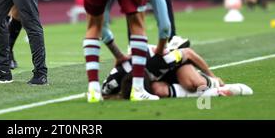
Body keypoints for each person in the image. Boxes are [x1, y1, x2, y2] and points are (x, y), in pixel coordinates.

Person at [82, 0, 169, 103]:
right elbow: (164, 25)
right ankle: (138, 90)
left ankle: (93, 90)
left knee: (93, 25)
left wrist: (119, 55)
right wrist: (160, 50)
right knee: (137, 23)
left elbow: (103, 27)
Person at [102, 44, 253, 100]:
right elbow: (105, 95)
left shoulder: (158, 60)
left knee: (196, 84)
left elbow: (189, 53)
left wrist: (213, 75)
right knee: (158, 90)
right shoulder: (114, 80)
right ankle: (218, 93)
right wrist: (120, 96)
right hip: (155, 79)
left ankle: (215, 85)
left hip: (173, 68)